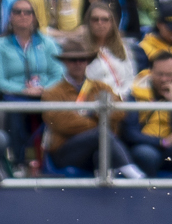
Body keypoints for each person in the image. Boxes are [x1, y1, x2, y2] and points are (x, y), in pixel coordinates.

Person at [41, 38, 144, 177]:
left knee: (101, 152)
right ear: (65, 62)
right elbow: (62, 124)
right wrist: (99, 120)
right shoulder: (52, 93)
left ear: (87, 62)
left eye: (82, 60)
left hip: (97, 147)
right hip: (65, 151)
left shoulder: (102, 87)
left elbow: (120, 112)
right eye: (73, 60)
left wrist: (91, 114)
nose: (78, 64)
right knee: (101, 134)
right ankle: (132, 172)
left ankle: (108, 193)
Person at [0, 0, 62, 165]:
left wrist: (44, 88)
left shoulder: (48, 43)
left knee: (56, 111)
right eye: (17, 12)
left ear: (34, 17)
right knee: (15, 113)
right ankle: (19, 161)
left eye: (27, 12)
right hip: (14, 97)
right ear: (10, 16)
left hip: (44, 94)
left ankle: (47, 161)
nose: (23, 15)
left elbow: (58, 73)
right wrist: (23, 90)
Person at [83, 0, 138, 99]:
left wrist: (120, 97)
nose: (100, 23)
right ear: (88, 22)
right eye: (95, 19)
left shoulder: (123, 48)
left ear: (112, 22)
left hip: (122, 100)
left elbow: (131, 78)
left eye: (105, 19)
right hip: (94, 101)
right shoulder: (81, 49)